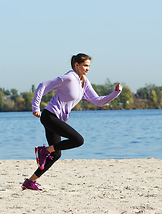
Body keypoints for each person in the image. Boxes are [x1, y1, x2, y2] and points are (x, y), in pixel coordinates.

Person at [22, 53, 122, 190]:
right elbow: (43, 85)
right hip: (49, 116)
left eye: (89, 66)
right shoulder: (68, 78)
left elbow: (97, 101)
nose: (88, 69)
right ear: (76, 65)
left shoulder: (84, 82)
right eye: (85, 65)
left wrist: (115, 93)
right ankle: (44, 150)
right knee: (78, 140)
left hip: (55, 118)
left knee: (56, 154)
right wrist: (35, 107)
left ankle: (30, 181)